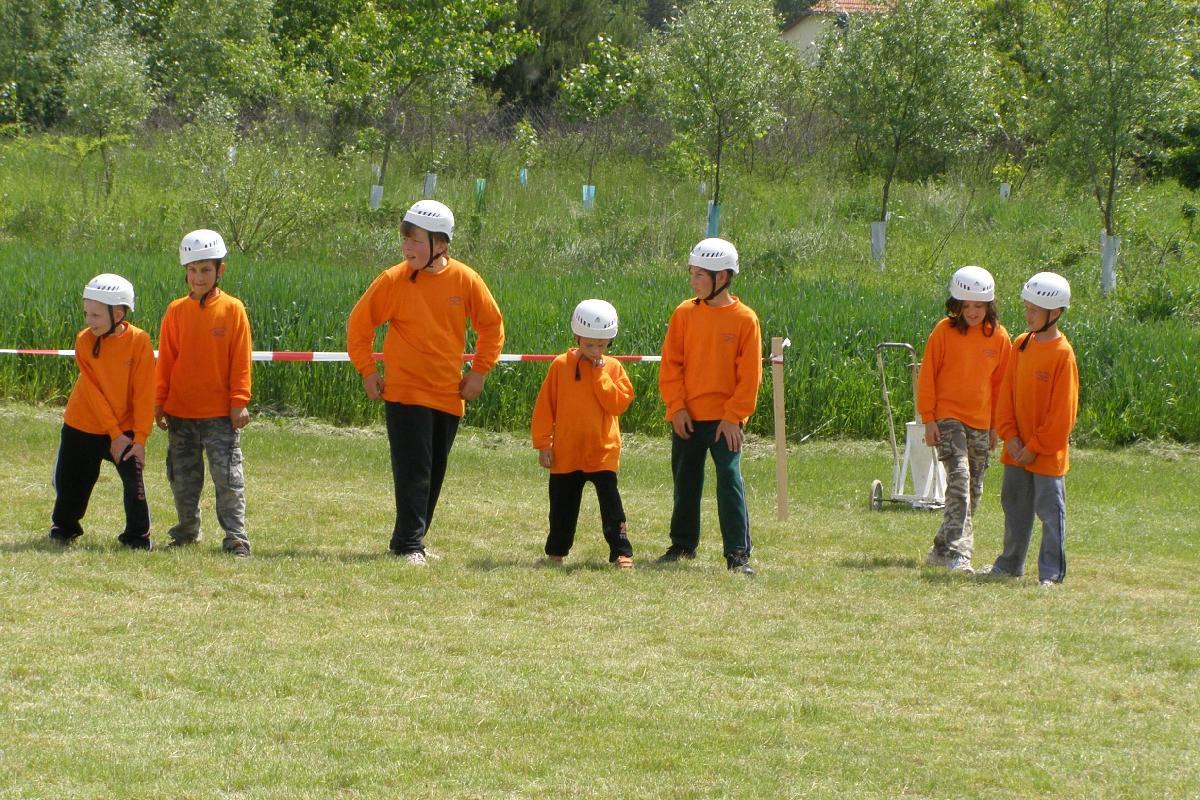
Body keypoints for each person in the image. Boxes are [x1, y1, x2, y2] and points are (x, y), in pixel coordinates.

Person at [347, 200, 505, 565]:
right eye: (405, 239)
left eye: (415, 240)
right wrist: (368, 370)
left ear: (441, 243)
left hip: (448, 394)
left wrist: (479, 371)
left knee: (433, 473)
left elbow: (492, 326)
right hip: (405, 393)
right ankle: (409, 545)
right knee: (414, 471)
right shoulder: (392, 280)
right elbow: (359, 327)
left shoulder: (466, 279)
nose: (407, 247)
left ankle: (409, 539)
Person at [656, 238, 762, 575]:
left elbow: (750, 377)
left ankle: (737, 554)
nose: (693, 280)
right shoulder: (684, 313)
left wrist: (734, 417)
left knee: (729, 480)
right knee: (685, 482)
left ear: (722, 277)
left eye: (700, 274)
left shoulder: (745, 319)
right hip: (687, 417)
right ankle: (682, 545)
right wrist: (677, 407)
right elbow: (671, 365)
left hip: (725, 422)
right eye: (692, 273)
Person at [155, 229, 254, 557]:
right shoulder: (175, 311)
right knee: (182, 479)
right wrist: (159, 402)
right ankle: (186, 531)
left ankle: (236, 538)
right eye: (193, 270)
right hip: (180, 413)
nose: (198, 277)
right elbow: (166, 360)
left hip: (220, 416)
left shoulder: (233, 309)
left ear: (220, 270)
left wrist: (239, 402)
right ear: (185, 271)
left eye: (206, 270)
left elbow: (241, 360)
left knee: (228, 479)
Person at [984, 272, 1079, 586]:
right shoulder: (1020, 344)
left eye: (1034, 311)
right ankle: (1010, 563)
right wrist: (1010, 437)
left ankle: (1051, 573)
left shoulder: (1063, 355)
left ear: (1055, 313)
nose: (1028, 315)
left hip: (1046, 454)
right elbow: (1006, 396)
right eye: (1027, 308)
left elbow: (1062, 415)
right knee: (1014, 506)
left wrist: (1034, 447)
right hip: (1016, 450)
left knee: (1050, 512)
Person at [49, 274, 155, 550]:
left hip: (126, 428)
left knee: (134, 482)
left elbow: (144, 394)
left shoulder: (139, 341)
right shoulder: (84, 340)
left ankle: (137, 536)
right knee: (71, 484)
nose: (89, 321)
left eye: (95, 315)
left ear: (117, 314)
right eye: (86, 313)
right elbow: (93, 393)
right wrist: (114, 435)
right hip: (82, 424)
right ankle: (64, 528)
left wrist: (139, 439)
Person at [916, 266, 1011, 573]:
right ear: (956, 305)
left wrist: (996, 426)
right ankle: (960, 554)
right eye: (966, 305)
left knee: (973, 490)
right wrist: (929, 419)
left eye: (978, 306)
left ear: (989, 306)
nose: (972, 312)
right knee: (959, 477)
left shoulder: (1000, 338)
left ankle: (941, 548)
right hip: (947, 417)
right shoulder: (943, 332)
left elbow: (1001, 386)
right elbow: (927, 376)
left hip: (982, 422)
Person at [531, 299, 635, 569]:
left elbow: (617, 404)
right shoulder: (560, 366)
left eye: (602, 345)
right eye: (589, 345)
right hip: (567, 452)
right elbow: (545, 407)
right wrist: (543, 444)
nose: (595, 351)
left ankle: (622, 553)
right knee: (561, 508)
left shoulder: (613, 368)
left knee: (612, 508)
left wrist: (601, 376)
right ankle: (556, 552)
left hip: (603, 451)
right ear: (577, 337)